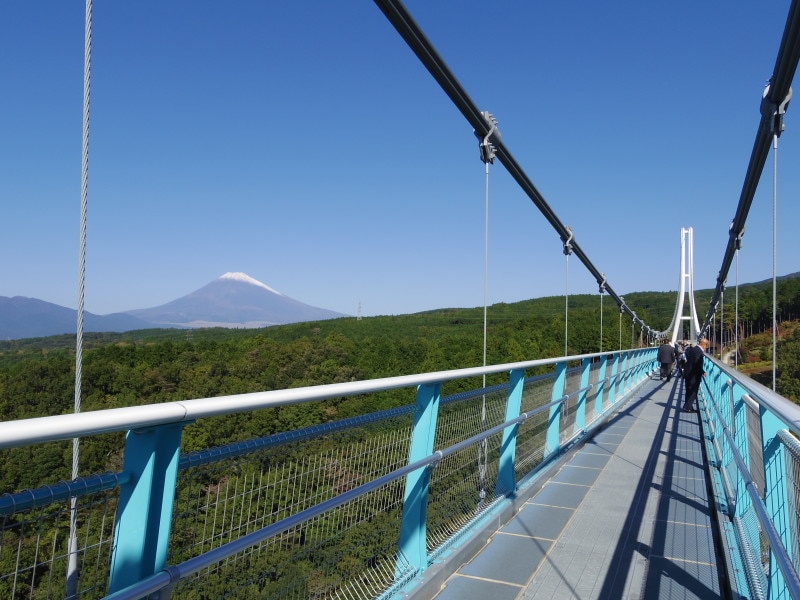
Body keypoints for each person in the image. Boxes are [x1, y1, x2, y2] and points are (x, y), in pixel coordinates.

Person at [683, 338, 709, 413]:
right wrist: (702, 371)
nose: (706, 347)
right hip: (693, 374)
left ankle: (689, 406)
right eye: (706, 345)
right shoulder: (699, 351)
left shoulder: (693, 349)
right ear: (703, 344)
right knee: (693, 391)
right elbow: (697, 363)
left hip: (688, 372)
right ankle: (687, 407)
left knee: (688, 390)